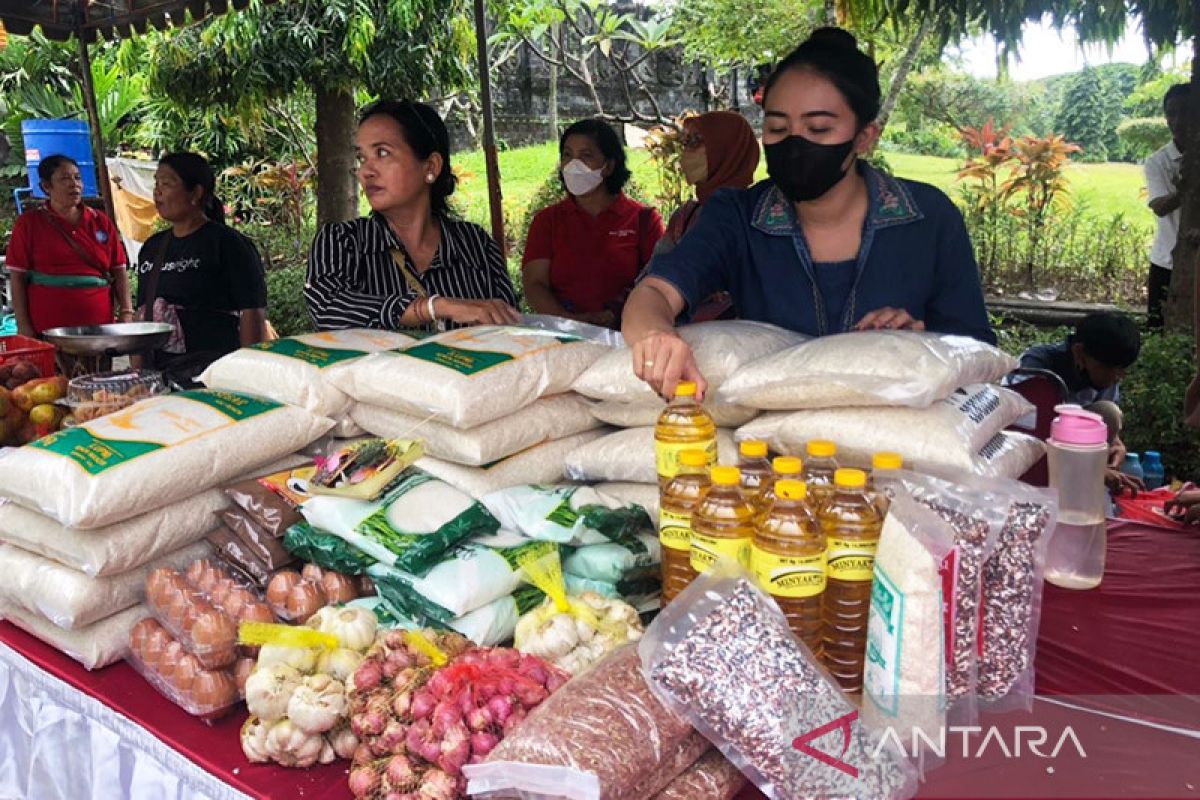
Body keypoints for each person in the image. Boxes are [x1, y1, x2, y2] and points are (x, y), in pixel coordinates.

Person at [622, 28, 994, 399]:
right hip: (769, 440)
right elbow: (655, 291)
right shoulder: (738, 217)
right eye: (777, 127)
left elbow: (976, 354)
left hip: (899, 442)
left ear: (864, 137)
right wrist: (656, 336)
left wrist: (919, 345)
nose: (794, 142)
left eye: (818, 128)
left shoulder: (926, 218)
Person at [306, 100, 519, 331]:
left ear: (431, 167)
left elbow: (509, 327)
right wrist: (433, 307)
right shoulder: (342, 242)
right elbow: (328, 310)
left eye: (382, 153)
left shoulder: (475, 245)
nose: (366, 171)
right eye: (362, 158)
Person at [136, 152, 268, 381]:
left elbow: (252, 311)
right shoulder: (152, 247)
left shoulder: (228, 244)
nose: (157, 191)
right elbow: (142, 316)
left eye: (166, 184)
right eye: (156, 183)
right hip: (159, 376)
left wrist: (249, 374)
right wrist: (139, 375)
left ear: (196, 193)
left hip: (214, 374)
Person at [522, 118, 664, 328]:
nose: (573, 165)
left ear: (609, 166)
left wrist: (614, 316)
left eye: (586, 156)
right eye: (567, 155)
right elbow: (535, 284)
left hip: (627, 335)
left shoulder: (643, 220)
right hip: (564, 338)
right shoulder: (547, 221)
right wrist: (570, 322)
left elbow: (659, 283)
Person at [6, 155, 133, 338]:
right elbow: (17, 277)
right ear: (46, 187)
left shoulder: (100, 221)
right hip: (47, 326)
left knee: (101, 368)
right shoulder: (29, 223)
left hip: (100, 326)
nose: (74, 184)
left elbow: (119, 270)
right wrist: (23, 326)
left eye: (77, 178)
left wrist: (126, 312)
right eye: (65, 179)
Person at [1019, 312, 1142, 493]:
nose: (1116, 377)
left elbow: (1105, 417)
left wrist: (1116, 444)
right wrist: (1093, 469)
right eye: (1108, 368)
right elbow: (1033, 430)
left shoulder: (1103, 376)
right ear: (1079, 352)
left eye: (1121, 370)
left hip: (1075, 454)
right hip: (1034, 449)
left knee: (1109, 412)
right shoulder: (1038, 366)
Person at [657, 111, 760, 255]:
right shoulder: (685, 217)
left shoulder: (761, 221)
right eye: (685, 142)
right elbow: (654, 271)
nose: (684, 153)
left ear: (724, 149)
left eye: (694, 142)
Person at [1144, 83, 1189, 330]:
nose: (1178, 120)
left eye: (1186, 111)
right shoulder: (1158, 162)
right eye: (1172, 113)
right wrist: (1186, 187)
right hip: (1167, 262)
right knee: (1158, 329)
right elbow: (1159, 206)